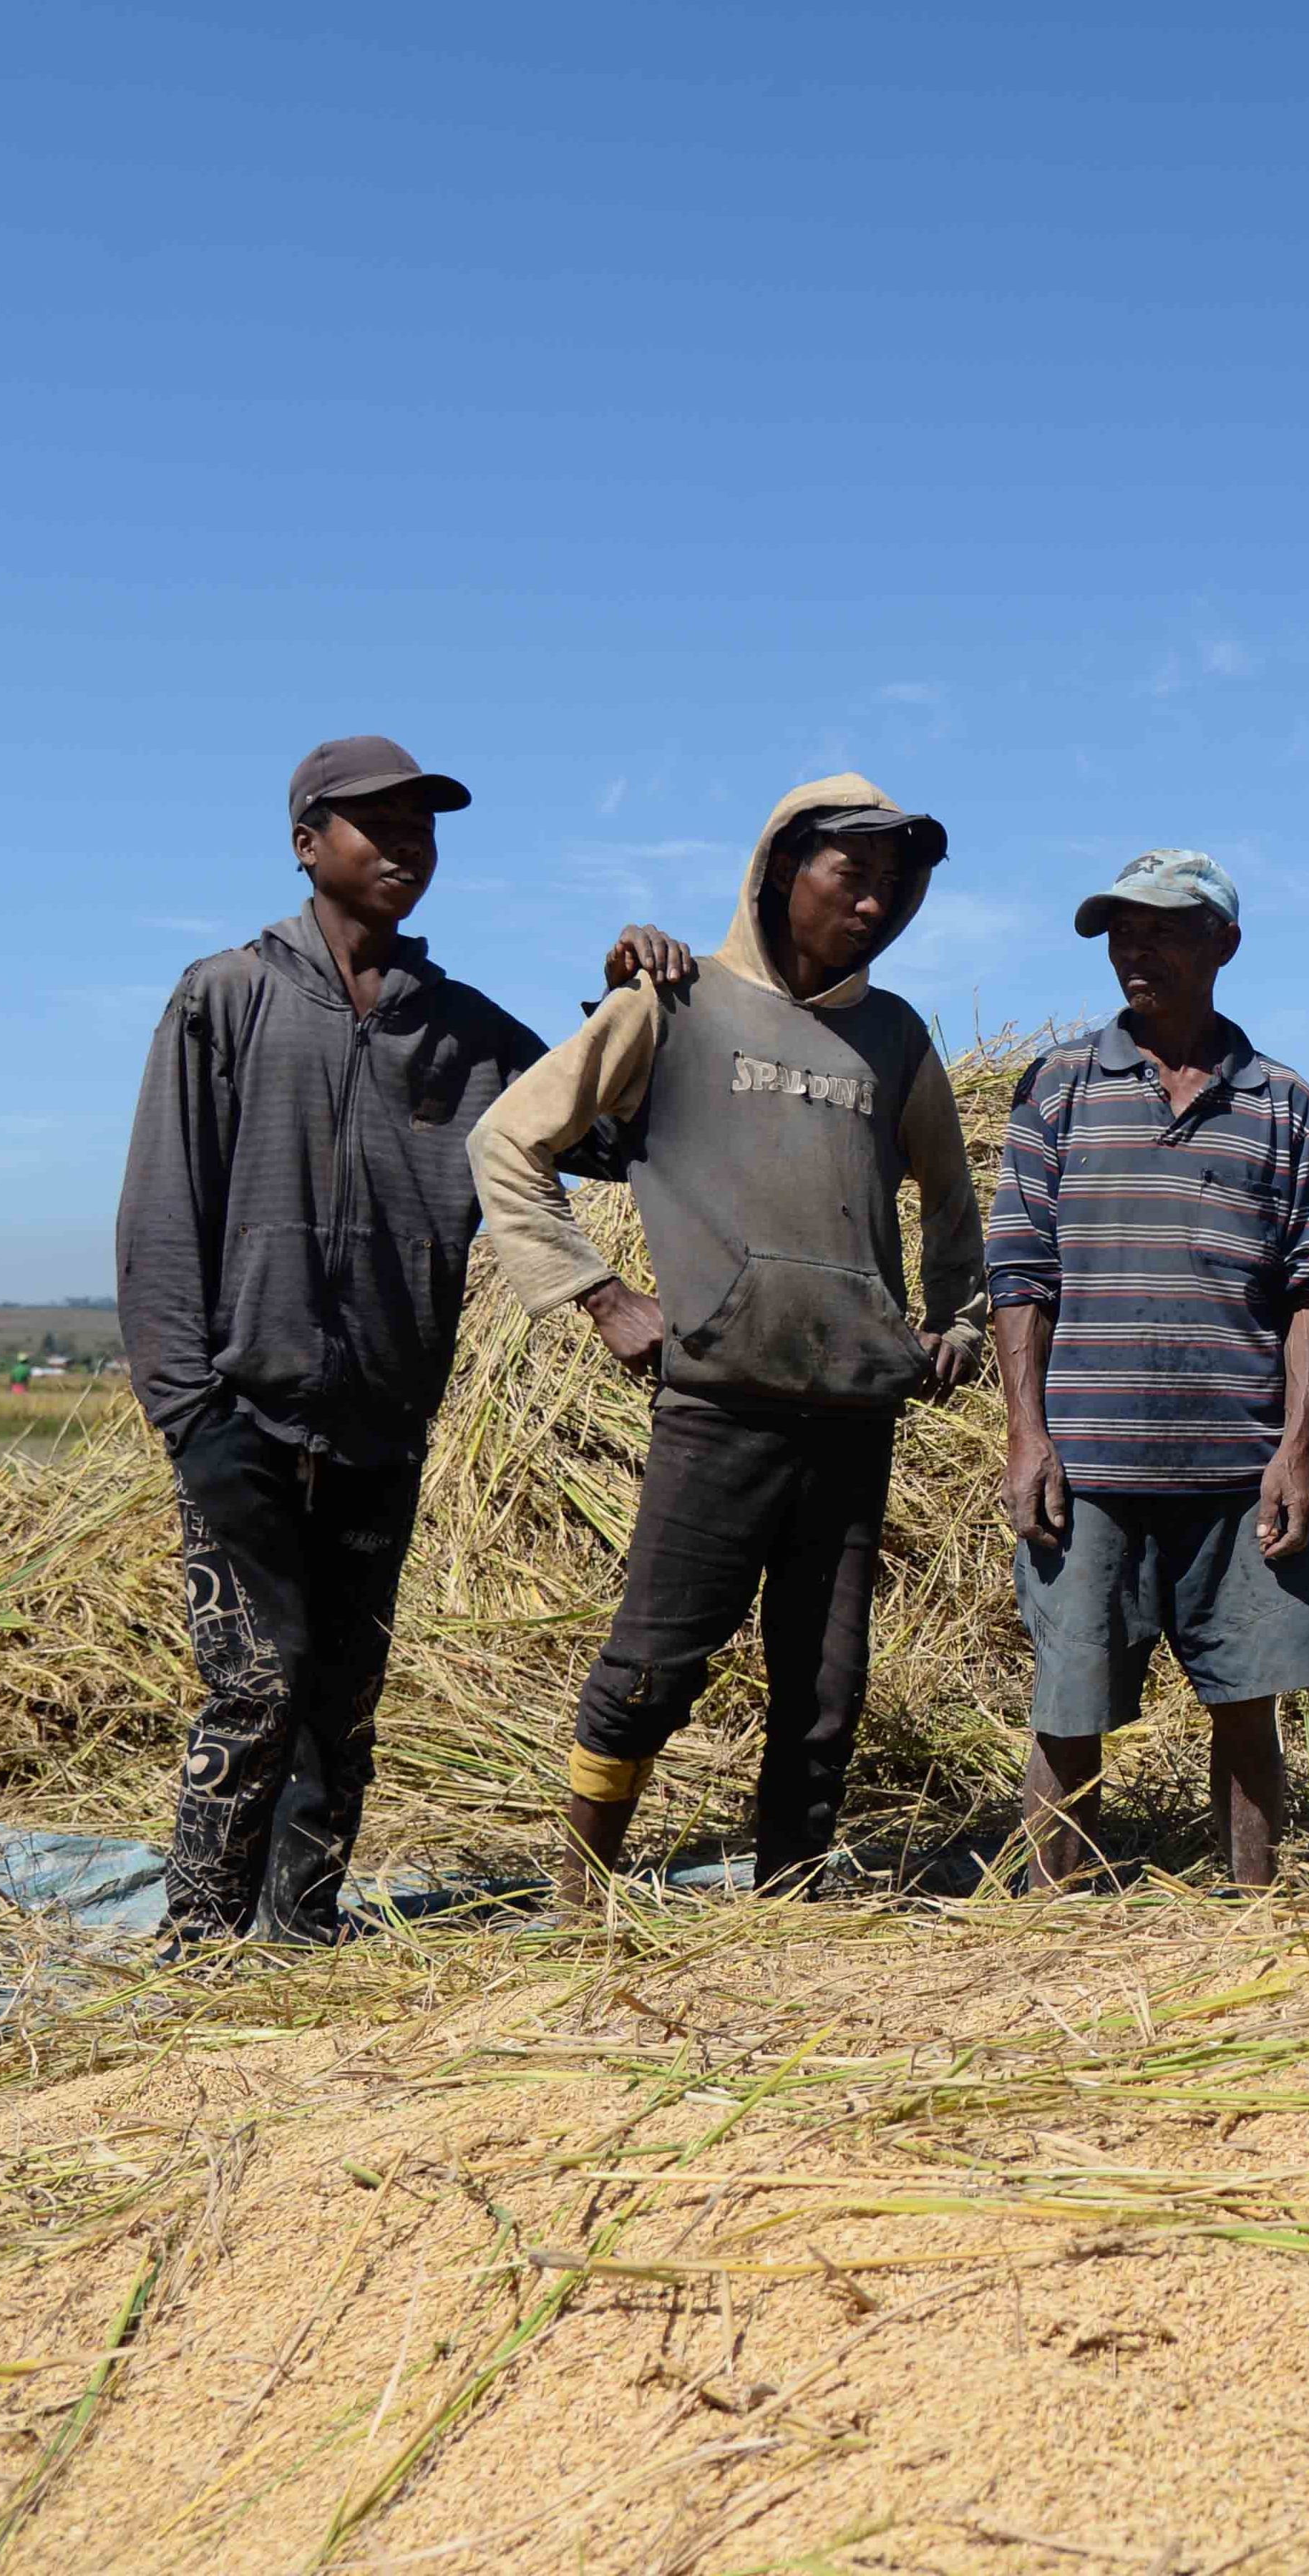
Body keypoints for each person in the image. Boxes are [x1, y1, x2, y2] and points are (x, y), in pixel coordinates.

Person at [117, 737, 686, 1945]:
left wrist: (633, 1006)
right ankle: (199, 1938)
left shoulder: (467, 1032)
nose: (406, 846)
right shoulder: (228, 998)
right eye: (374, 824)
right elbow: (163, 1216)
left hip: (382, 1414)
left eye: (423, 825)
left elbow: (610, 1140)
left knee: (343, 1694)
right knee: (257, 1680)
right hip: (241, 1411)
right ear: (307, 842)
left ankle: (303, 1929)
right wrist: (187, 1413)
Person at [473, 775, 986, 1900]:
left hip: (854, 1411)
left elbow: (951, 1199)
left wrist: (957, 1319)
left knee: (824, 1689)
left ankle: (788, 1903)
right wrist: (600, 1296)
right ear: (776, 874)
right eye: (849, 877)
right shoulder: (674, 1001)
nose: (872, 906)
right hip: (719, 1403)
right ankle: (578, 1893)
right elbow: (508, 1139)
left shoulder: (894, 1036)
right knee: (653, 1665)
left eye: (891, 887)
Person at [988, 851, 1309, 1890]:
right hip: (1087, 1468)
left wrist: (1295, 1449)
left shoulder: (1282, 1103)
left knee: (1247, 1703)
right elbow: (1018, 1267)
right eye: (1119, 931)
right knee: (1070, 1701)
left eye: (1161, 929)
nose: (1133, 950)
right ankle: (1058, 1921)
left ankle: (1252, 1909)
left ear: (1224, 942)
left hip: (1237, 1472)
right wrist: (1027, 1435)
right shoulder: (1058, 1084)